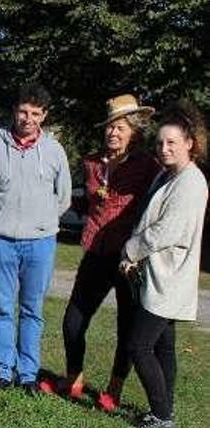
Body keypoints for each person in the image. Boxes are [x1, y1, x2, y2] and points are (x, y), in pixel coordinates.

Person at [52, 95, 158, 412]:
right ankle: (74, 377)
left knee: (126, 326)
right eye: (111, 126)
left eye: (121, 127)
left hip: (128, 258)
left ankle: (114, 387)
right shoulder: (92, 163)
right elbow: (86, 202)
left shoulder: (147, 166)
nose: (113, 132)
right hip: (95, 252)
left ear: (134, 132)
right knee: (73, 321)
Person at [121, 103, 207, 428]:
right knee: (163, 347)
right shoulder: (166, 174)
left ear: (190, 143)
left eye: (172, 142)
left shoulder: (191, 181)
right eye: (160, 143)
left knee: (137, 346)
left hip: (169, 279)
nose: (164, 148)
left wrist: (131, 249)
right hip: (158, 276)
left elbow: (167, 230)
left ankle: (160, 416)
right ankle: (165, 410)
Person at [0, 85, 71, 393]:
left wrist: (43, 223)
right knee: (3, 307)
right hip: (1, 240)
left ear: (44, 116)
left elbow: (63, 198)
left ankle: (27, 372)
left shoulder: (54, 150)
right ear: (14, 110)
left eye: (36, 113)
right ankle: (2, 368)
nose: (28, 118)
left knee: (32, 309)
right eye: (24, 111)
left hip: (40, 241)